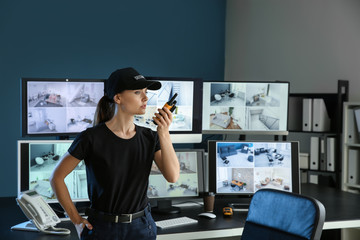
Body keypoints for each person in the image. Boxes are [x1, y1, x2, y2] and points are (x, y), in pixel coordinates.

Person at [50, 67, 180, 240]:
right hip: (102, 228)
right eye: (137, 92)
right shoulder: (91, 138)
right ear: (118, 98)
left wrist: (164, 132)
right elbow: (56, 178)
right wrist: (76, 219)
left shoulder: (150, 137)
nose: (145, 98)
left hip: (142, 227)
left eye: (146, 92)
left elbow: (173, 176)